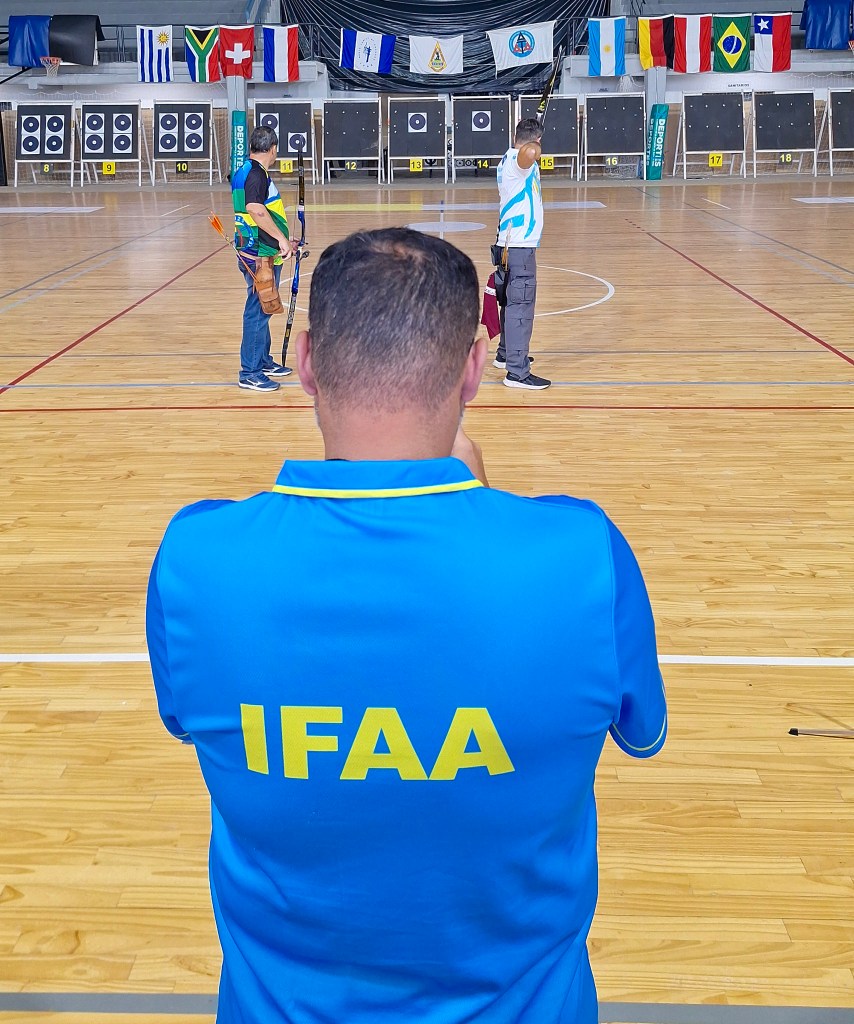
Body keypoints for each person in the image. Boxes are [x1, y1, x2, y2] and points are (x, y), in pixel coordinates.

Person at [146, 227, 667, 1024]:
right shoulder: (583, 556)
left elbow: (193, 722)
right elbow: (640, 731)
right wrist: (478, 501)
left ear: (308, 361)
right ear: (473, 368)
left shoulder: (196, 558)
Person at [231, 125, 297, 392]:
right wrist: (280, 239)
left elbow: (263, 211)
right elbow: (256, 210)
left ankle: (262, 361)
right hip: (260, 254)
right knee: (257, 311)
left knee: (263, 307)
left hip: (256, 248)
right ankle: (250, 372)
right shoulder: (256, 174)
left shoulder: (245, 170)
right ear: (273, 149)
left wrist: (284, 238)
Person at [495, 117, 551, 390]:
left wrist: (532, 141)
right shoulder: (518, 161)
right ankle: (517, 372)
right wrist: (535, 144)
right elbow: (529, 153)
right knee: (521, 307)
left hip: (511, 244)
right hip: (518, 246)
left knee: (510, 302)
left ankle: (506, 354)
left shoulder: (509, 160)